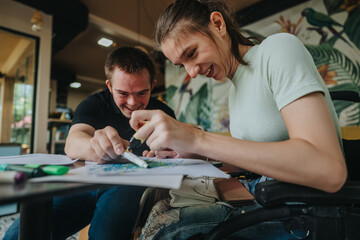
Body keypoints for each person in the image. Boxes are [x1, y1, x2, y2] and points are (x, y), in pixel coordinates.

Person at [128, 0, 348, 239]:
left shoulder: (278, 50)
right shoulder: (235, 89)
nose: (191, 72)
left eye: (191, 54)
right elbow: (257, 159)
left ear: (218, 24)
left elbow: (328, 169)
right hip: (267, 197)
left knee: (169, 229)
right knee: (159, 204)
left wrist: (197, 138)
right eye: (182, 65)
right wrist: (195, 154)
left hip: (301, 212)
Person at [4, 46, 175, 240]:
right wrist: (95, 146)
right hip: (84, 184)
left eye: (142, 93)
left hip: (129, 186)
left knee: (105, 235)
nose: (133, 102)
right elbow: (73, 142)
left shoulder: (164, 114)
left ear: (152, 85)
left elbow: (175, 153)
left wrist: (168, 153)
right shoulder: (93, 103)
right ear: (109, 86)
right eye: (123, 93)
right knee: (15, 236)